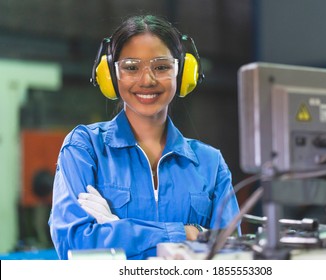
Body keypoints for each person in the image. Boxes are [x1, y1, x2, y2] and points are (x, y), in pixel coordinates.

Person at [48, 14, 241, 260]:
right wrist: (185, 233)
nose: (147, 80)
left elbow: (233, 255)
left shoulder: (210, 163)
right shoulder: (85, 148)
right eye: (131, 67)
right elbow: (73, 243)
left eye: (161, 67)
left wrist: (117, 230)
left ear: (182, 73)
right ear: (110, 75)